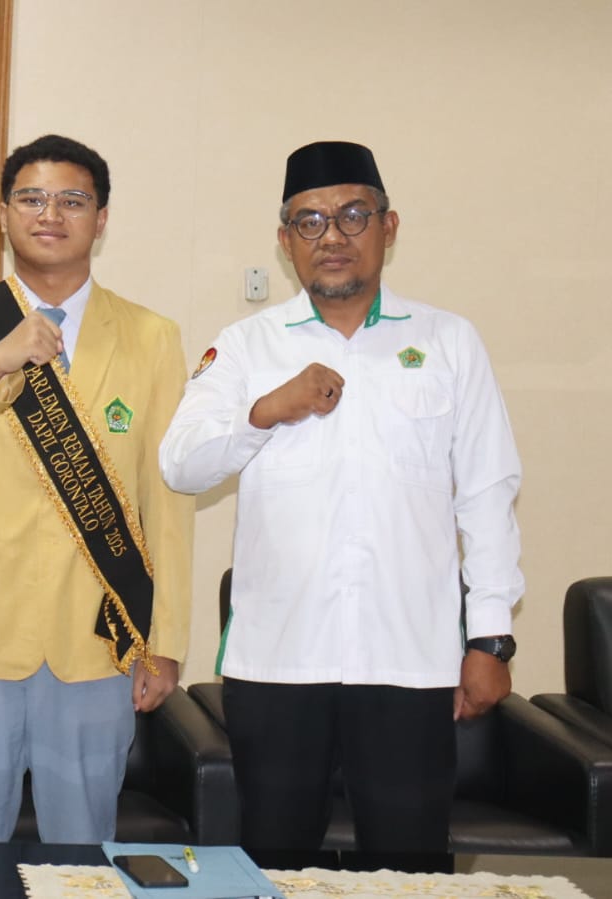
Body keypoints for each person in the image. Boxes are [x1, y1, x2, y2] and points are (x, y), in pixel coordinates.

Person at [159, 141, 522, 867]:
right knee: (276, 865)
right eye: (310, 220)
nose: (332, 235)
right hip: (279, 664)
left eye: (353, 215)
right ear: (285, 239)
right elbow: (181, 464)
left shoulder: (447, 341)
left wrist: (489, 639)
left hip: (410, 661)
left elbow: (488, 492)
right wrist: (265, 410)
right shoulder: (246, 345)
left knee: (411, 870)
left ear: (388, 227)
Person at [0, 134, 193, 843]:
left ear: (101, 219)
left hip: (99, 638)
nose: (49, 214)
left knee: (82, 854)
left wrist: (165, 638)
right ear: (3, 215)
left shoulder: (151, 337)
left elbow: (167, 502)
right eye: (31, 198)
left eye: (72, 200)